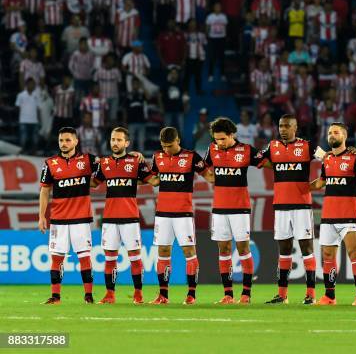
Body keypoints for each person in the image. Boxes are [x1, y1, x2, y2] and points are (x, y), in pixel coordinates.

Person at [92, 127, 157, 304]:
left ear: (126, 143)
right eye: (113, 139)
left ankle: (138, 294)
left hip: (130, 217)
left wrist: (157, 163)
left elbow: (154, 180)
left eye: (119, 140)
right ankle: (110, 294)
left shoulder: (136, 161)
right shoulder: (104, 163)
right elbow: (93, 183)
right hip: (110, 218)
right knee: (110, 258)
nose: (115, 143)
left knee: (135, 257)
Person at [257, 115, 318, 304]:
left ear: (295, 127)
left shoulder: (307, 146)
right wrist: (275, 165)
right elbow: (259, 159)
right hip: (281, 205)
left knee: (306, 248)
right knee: (284, 250)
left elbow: (329, 158)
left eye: (287, 126)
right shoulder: (273, 146)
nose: (283, 129)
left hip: (301, 204)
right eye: (280, 126)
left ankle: (311, 295)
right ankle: (282, 295)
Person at [310, 123, 356, 305]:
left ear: (344, 136)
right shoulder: (327, 160)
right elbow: (321, 183)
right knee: (328, 256)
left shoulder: (355, 158)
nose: (332, 135)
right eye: (329, 132)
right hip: (328, 216)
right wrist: (300, 188)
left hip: (349, 216)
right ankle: (330, 296)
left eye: (336, 132)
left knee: (354, 254)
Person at [203, 117, 261, 304]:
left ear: (231, 135)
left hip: (240, 208)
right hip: (219, 208)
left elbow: (266, 161)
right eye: (216, 139)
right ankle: (228, 294)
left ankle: (246, 294)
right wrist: (211, 178)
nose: (218, 143)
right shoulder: (212, 150)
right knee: (224, 249)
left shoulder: (246, 150)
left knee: (243, 248)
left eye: (222, 139)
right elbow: (204, 170)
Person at [148, 127, 208, 305]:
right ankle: (163, 295)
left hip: (183, 213)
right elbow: (154, 180)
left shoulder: (191, 157)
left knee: (189, 252)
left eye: (170, 146)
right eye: (164, 146)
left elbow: (209, 176)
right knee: (163, 251)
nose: (167, 150)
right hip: (163, 213)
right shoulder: (157, 157)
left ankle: (191, 295)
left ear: (178, 141)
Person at [38, 127, 98, 304]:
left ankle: (88, 295)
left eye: (67, 140)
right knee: (57, 258)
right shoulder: (50, 163)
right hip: (59, 218)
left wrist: (133, 155)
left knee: (84, 257)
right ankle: (55, 296)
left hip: (81, 218)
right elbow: (44, 191)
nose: (64, 144)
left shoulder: (88, 159)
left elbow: (110, 164)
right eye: (61, 141)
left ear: (76, 141)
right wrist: (42, 216)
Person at [15, 77, 41, 153]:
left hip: (34, 121)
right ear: (26, 85)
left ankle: (34, 153)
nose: (32, 85)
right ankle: (21, 153)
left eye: (33, 84)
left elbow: (38, 108)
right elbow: (17, 107)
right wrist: (20, 118)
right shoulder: (21, 95)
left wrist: (39, 119)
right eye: (30, 84)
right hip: (23, 120)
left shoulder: (36, 95)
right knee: (23, 139)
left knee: (35, 139)